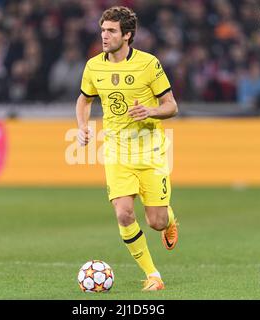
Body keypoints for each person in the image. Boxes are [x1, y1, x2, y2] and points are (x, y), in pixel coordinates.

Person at [75, 6, 179, 291]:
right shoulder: (94, 66)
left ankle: (170, 219)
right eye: (103, 30)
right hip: (117, 152)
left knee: (156, 221)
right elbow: (84, 100)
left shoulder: (148, 64)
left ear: (127, 35)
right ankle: (153, 275)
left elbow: (171, 106)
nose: (104, 36)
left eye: (111, 31)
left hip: (150, 151)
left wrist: (150, 111)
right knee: (123, 213)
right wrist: (83, 126)